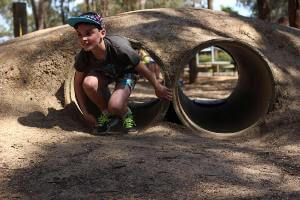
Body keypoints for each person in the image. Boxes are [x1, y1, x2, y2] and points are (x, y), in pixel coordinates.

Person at [67, 12, 172, 134]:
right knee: (88, 83)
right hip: (106, 73)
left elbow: (142, 68)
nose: (83, 39)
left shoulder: (119, 48)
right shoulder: (84, 55)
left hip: (127, 72)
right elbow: (77, 84)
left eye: (89, 33)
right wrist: (86, 112)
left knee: (115, 105)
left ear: (102, 33)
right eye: (79, 35)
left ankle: (126, 114)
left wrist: (157, 86)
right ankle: (106, 113)